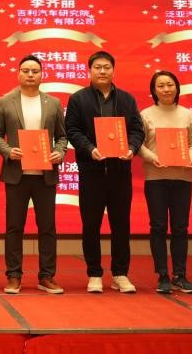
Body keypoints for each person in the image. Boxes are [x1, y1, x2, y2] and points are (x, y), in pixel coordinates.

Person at [65, 51, 145, 294]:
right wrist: (90, 149)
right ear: (89, 70)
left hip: (120, 172)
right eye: (98, 67)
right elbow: (72, 130)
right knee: (91, 224)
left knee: (121, 224)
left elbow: (137, 130)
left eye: (107, 67)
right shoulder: (78, 99)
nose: (102, 71)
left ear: (113, 70)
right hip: (92, 171)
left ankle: (120, 273)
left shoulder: (127, 99)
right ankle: (94, 273)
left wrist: (132, 148)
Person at [0, 54, 68, 294]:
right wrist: (8, 151)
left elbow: (63, 136)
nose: (30, 75)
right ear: (18, 73)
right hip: (17, 174)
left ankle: (47, 276)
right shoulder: (6, 101)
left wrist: (59, 152)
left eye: (35, 71)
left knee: (47, 227)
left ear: (42, 74)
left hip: (45, 174)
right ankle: (14, 276)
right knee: (14, 227)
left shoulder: (53, 103)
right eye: (25, 70)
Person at [137, 70, 192, 294]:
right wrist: (152, 157)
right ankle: (162, 275)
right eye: (161, 86)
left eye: (170, 85)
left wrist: (191, 157)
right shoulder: (145, 114)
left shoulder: (186, 114)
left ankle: (180, 275)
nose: (166, 89)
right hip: (156, 177)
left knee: (181, 227)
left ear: (177, 88)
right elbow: (139, 144)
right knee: (158, 226)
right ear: (154, 90)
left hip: (182, 177)